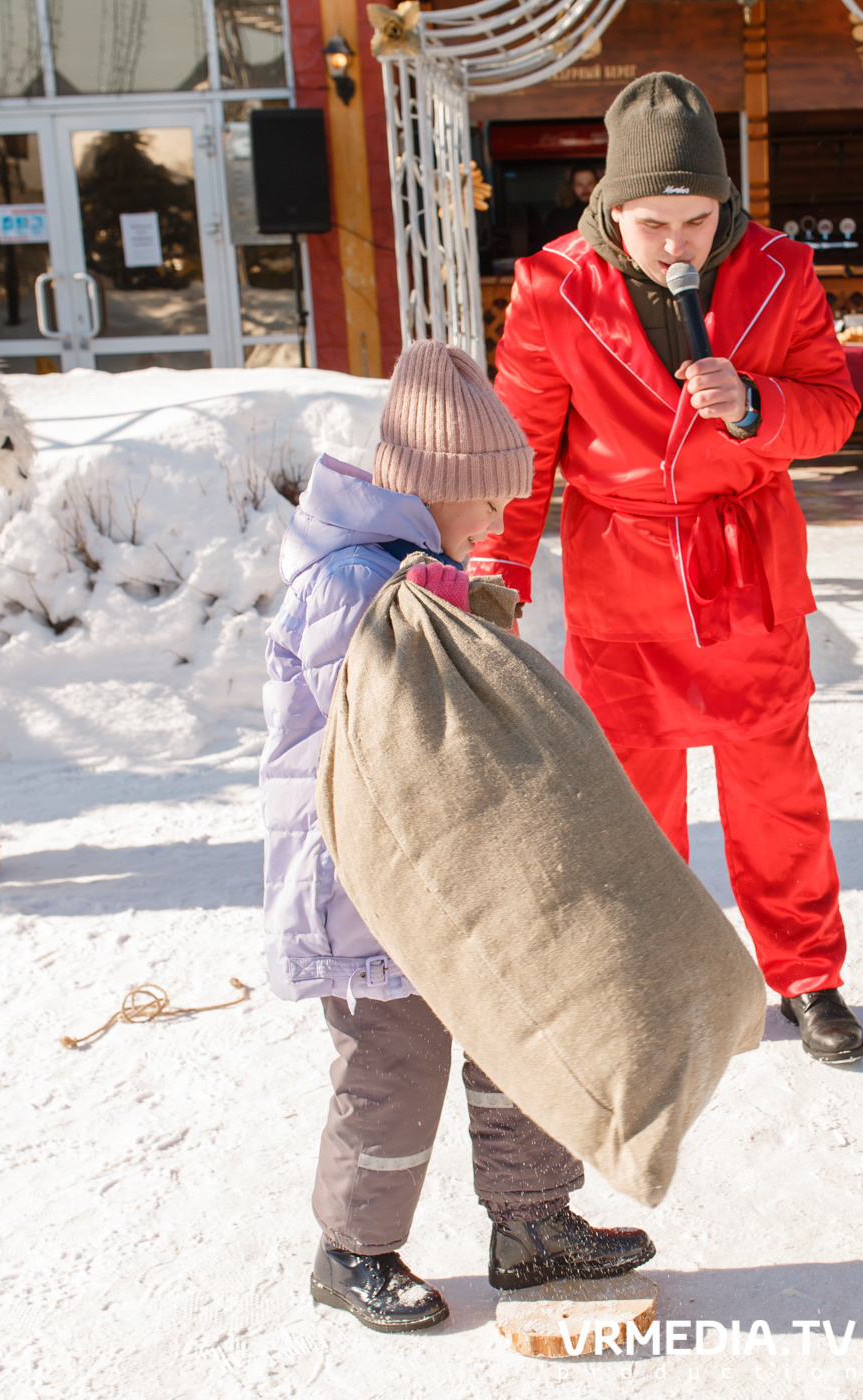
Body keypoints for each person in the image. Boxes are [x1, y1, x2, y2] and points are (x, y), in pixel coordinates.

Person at [474, 73, 863, 1063]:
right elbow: (519, 452)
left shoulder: (781, 269)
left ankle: (808, 974)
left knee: (776, 791)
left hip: (750, 570)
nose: (678, 243)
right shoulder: (554, 285)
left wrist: (755, 405)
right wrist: (496, 571)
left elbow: (832, 408)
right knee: (636, 801)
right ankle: (657, 975)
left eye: (698, 219)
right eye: (654, 222)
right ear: (610, 204)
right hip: (624, 579)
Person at [261, 342, 655, 1333]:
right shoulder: (348, 582)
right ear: (440, 486)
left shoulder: (413, 569)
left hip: (448, 877)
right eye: (488, 500)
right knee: (391, 1071)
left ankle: (532, 1222)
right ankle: (352, 1248)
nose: (500, 520)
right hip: (362, 884)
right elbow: (386, 722)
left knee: (515, 1036)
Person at [543, 162, 600, 244]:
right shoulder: (557, 217)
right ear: (572, 186)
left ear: (596, 184)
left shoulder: (604, 214)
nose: (585, 188)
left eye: (590, 183)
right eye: (580, 184)